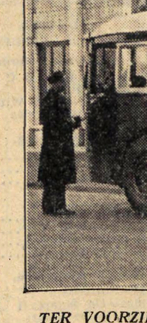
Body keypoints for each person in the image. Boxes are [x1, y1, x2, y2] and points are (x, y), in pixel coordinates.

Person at [38, 71, 81, 216]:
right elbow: (59, 123)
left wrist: (70, 122)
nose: (64, 84)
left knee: (51, 177)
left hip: (50, 144)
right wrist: (74, 123)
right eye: (62, 82)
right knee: (59, 177)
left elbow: (47, 120)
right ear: (56, 83)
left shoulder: (47, 99)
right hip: (59, 145)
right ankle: (59, 207)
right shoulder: (58, 99)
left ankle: (48, 207)